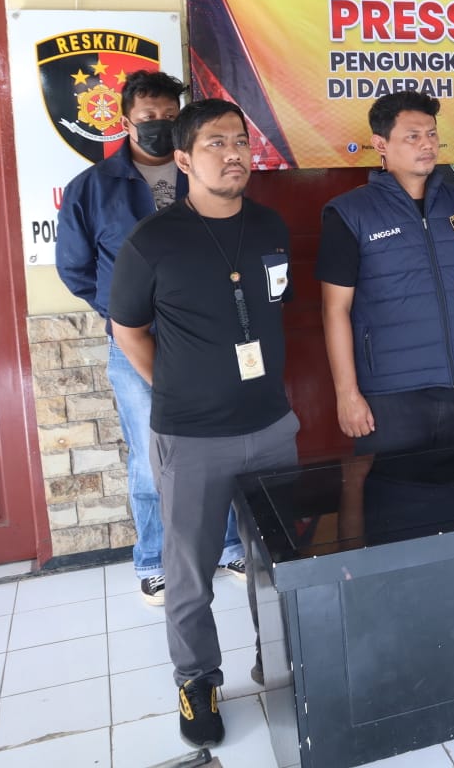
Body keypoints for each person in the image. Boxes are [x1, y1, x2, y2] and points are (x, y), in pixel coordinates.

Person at [109, 98, 299, 749]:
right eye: (216, 143)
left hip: (271, 427)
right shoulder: (153, 241)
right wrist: (175, 388)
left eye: (240, 141)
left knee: (275, 563)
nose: (233, 153)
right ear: (184, 159)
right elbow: (128, 329)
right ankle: (197, 681)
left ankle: (279, 662)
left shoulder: (270, 226)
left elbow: (271, 305)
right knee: (189, 572)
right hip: (191, 437)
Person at [55, 71, 243, 606]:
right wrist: (123, 315)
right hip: (135, 342)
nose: (160, 124)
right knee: (149, 454)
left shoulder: (199, 173)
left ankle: (230, 545)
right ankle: (155, 560)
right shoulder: (93, 187)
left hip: (206, 338)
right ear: (125, 120)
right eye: (149, 117)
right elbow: (74, 268)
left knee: (222, 443)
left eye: (169, 117)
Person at [318, 91, 454, 454]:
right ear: (381, 144)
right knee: (394, 487)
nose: (427, 144)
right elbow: (335, 309)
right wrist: (347, 393)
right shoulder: (350, 213)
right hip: (391, 396)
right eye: (413, 136)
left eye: (432, 134)